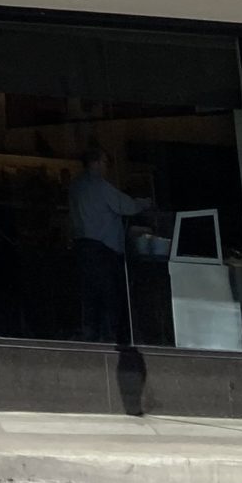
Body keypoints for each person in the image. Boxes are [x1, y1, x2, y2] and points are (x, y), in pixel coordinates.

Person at [68, 147, 149, 347]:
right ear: (94, 163)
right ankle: (110, 337)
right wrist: (145, 202)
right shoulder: (101, 187)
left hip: (82, 248)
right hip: (103, 250)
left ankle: (91, 337)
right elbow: (127, 206)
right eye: (105, 163)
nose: (107, 167)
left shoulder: (75, 186)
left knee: (89, 297)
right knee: (109, 296)